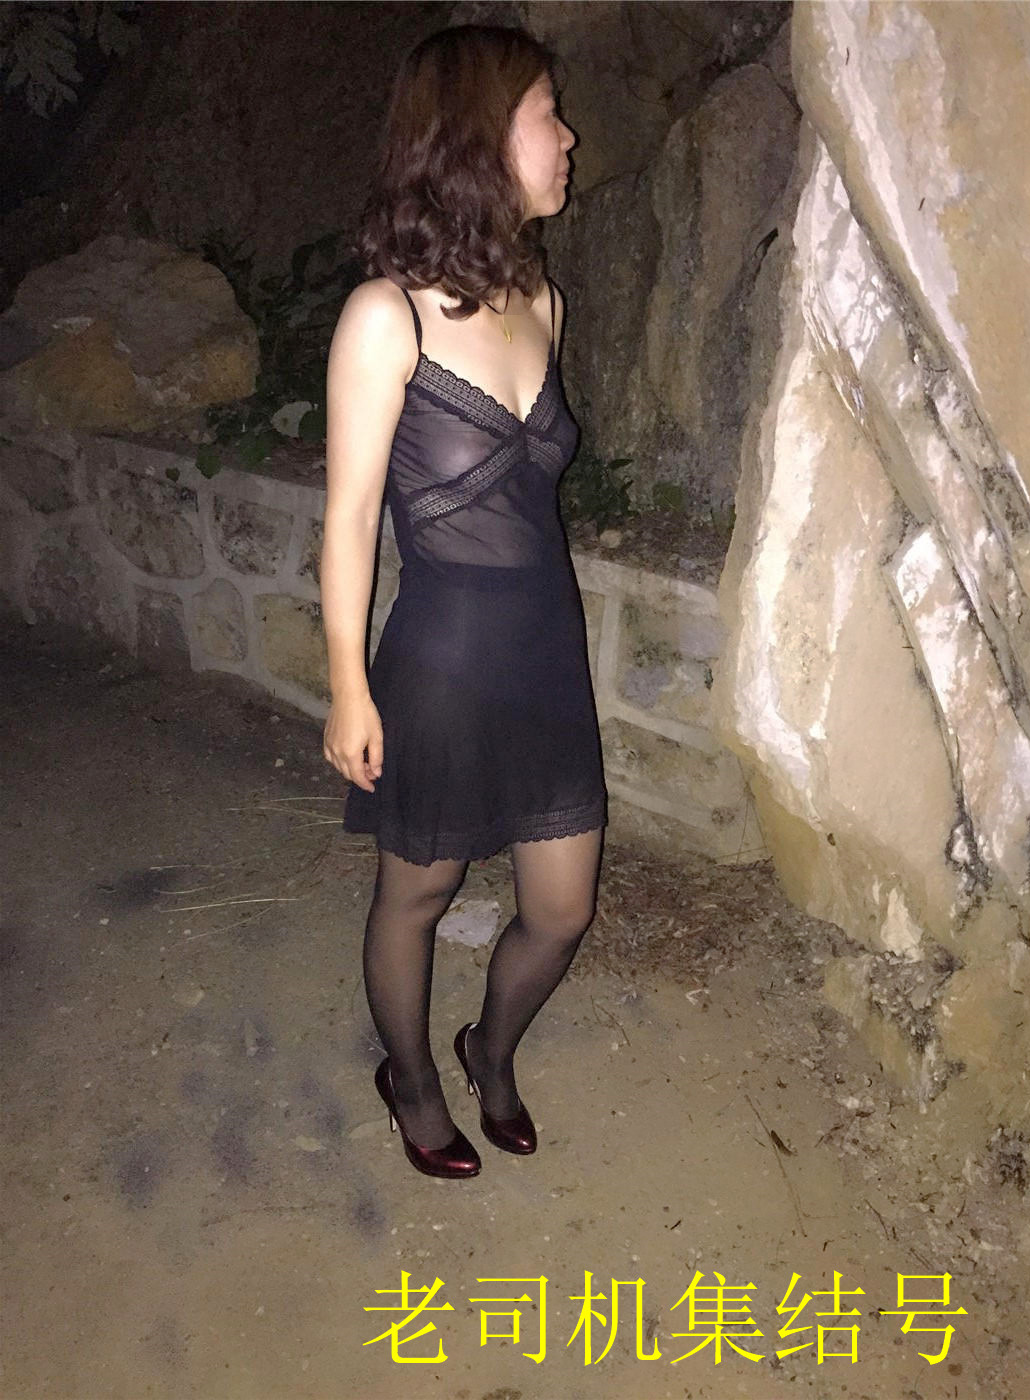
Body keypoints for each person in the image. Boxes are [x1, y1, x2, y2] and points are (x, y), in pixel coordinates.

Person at [320, 23, 607, 1180]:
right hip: (439, 659)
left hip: (547, 653)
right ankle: (413, 1077)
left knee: (563, 906)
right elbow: (349, 518)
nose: (569, 136)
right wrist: (348, 686)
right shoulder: (383, 316)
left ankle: (488, 1045)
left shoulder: (543, 299)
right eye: (548, 114)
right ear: (481, 139)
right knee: (419, 889)